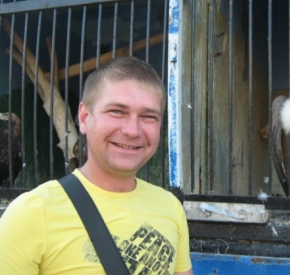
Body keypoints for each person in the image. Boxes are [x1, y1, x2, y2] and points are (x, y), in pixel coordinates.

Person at [0, 56, 193, 275]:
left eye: (149, 116)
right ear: (84, 118)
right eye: (117, 112)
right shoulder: (31, 214)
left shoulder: (170, 207)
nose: (132, 131)